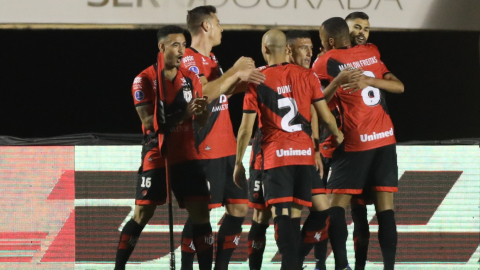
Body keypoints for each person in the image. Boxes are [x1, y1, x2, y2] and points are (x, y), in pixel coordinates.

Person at [234, 29, 343, 270]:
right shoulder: (308, 76)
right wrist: (337, 135)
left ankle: (289, 265)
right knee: (287, 217)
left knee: (277, 217)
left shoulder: (258, 80)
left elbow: (245, 129)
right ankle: (290, 264)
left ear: (264, 49)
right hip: (302, 158)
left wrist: (236, 163)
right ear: (287, 50)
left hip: (273, 159)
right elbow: (325, 116)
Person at [114, 25, 211, 270]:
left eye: (184, 45)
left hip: (187, 154)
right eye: (176, 45)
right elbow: (149, 123)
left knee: (201, 214)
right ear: (162, 47)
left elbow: (200, 120)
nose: (182, 51)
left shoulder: (190, 78)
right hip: (158, 153)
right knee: (142, 215)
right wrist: (184, 113)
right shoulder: (144, 79)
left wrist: (201, 111)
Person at [313, 17, 404, 270]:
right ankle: (387, 267)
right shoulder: (372, 52)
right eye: (357, 28)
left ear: (330, 40)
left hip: (356, 141)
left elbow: (315, 101)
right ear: (347, 32)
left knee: (335, 206)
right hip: (385, 138)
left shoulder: (325, 60)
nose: (362, 33)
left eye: (366, 28)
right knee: (384, 208)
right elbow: (399, 85)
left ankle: (341, 265)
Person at [181, 5, 265, 270]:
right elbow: (204, 94)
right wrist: (235, 71)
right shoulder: (188, 58)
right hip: (205, 150)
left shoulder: (212, 59)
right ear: (206, 26)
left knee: (240, 209)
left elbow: (223, 92)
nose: (222, 27)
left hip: (227, 148)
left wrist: (250, 78)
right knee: (200, 215)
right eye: (218, 23)